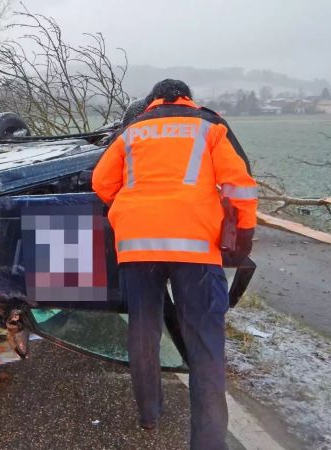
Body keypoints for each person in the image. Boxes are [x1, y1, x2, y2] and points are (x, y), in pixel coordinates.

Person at [91, 79, 257, 450]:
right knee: (205, 345)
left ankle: (149, 413)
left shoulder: (132, 132)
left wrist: (131, 207)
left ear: (150, 103)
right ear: (187, 98)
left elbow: (102, 182)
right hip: (195, 250)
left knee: (143, 329)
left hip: (137, 247)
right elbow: (240, 185)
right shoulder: (209, 127)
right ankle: (209, 443)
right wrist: (242, 236)